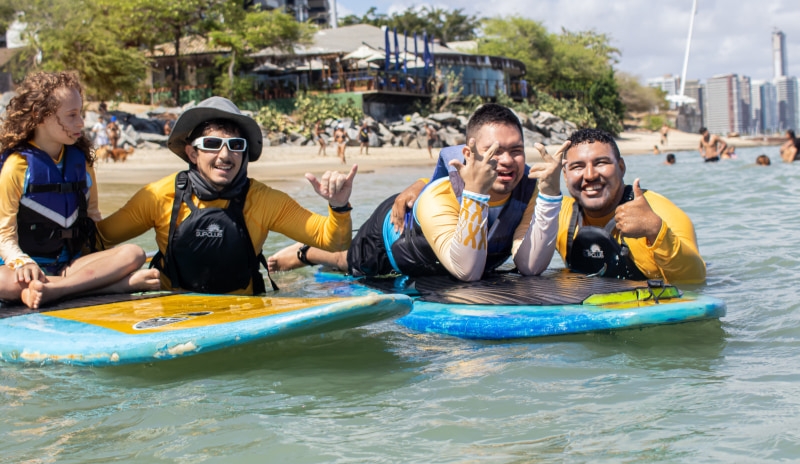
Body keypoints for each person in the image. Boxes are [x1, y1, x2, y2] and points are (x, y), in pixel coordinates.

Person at [268, 103, 566, 282]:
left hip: (455, 257)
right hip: (387, 240)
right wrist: (475, 194)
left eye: (516, 151)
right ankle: (307, 253)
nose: (506, 161)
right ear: (468, 153)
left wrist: (551, 195)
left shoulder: (529, 189)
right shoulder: (440, 196)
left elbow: (530, 266)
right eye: (494, 152)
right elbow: (468, 273)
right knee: (350, 264)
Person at [96, 96, 357, 295]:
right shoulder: (157, 196)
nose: (224, 155)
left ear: (244, 153)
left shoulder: (264, 200)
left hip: (243, 310)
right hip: (172, 307)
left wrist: (338, 205)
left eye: (235, 146)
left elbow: (333, 242)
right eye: (211, 145)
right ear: (192, 154)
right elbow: (101, 238)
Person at [0, 71, 159, 309]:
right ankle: (110, 287)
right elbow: (4, 234)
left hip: (70, 268)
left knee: (133, 253)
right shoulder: (17, 167)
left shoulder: (81, 162)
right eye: (72, 115)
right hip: (25, 272)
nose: (81, 123)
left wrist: (110, 263)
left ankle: (55, 290)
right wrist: (22, 262)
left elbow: (93, 220)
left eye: (81, 114)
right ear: (39, 116)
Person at [557, 128, 706, 284]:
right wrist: (547, 189)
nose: (590, 175)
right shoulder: (555, 215)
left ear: (621, 167)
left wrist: (656, 231)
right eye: (577, 167)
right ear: (565, 175)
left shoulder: (660, 213)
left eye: (601, 163)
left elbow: (695, 280)